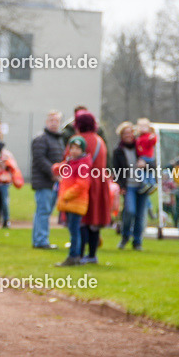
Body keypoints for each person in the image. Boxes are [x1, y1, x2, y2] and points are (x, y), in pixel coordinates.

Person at [75, 110, 110, 264]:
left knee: (81, 219)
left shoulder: (78, 140)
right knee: (94, 220)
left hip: (83, 183)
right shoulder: (100, 141)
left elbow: (69, 160)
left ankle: (80, 254)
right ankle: (92, 255)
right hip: (100, 183)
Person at [53, 136, 91, 267]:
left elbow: (82, 185)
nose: (74, 151)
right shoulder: (70, 162)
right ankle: (75, 256)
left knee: (74, 231)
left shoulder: (83, 164)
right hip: (69, 202)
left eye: (77, 149)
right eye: (72, 148)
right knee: (73, 230)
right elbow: (56, 170)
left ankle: (74, 256)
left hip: (75, 202)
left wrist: (66, 195)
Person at [112, 121, 149, 250]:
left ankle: (137, 242)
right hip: (128, 186)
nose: (128, 135)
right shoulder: (118, 151)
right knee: (129, 211)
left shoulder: (141, 148)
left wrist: (146, 164)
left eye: (130, 132)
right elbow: (116, 170)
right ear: (121, 135)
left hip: (142, 185)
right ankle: (125, 236)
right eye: (125, 133)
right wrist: (120, 186)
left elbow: (153, 164)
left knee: (140, 215)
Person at [30, 110, 63, 249]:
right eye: (51, 120)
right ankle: (41, 241)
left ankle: (40, 239)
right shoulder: (41, 139)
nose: (54, 123)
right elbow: (39, 159)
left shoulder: (58, 140)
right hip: (44, 181)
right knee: (43, 211)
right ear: (46, 121)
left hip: (54, 182)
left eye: (56, 121)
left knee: (46, 211)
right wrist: (53, 172)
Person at [135, 117, 158, 194]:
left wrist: (153, 137)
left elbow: (153, 142)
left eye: (144, 126)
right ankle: (149, 184)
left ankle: (148, 183)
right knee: (146, 172)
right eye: (141, 126)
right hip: (142, 157)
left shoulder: (148, 136)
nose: (142, 128)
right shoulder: (139, 137)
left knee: (145, 172)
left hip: (146, 158)